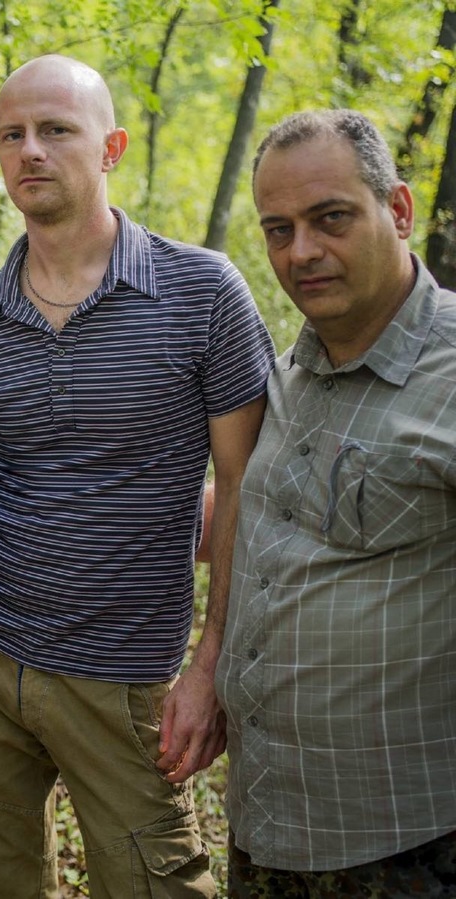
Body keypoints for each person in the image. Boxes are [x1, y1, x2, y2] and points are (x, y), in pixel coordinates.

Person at [0, 54, 275, 898]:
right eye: (12, 135)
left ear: (111, 147)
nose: (31, 152)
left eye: (57, 130)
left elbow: (248, 486)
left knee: (160, 884)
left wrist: (211, 667)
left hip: (123, 675)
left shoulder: (203, 293)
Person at [217, 109, 456, 896]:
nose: (303, 252)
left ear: (399, 209)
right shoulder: (286, 375)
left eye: (331, 218)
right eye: (278, 230)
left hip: (407, 844)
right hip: (267, 827)